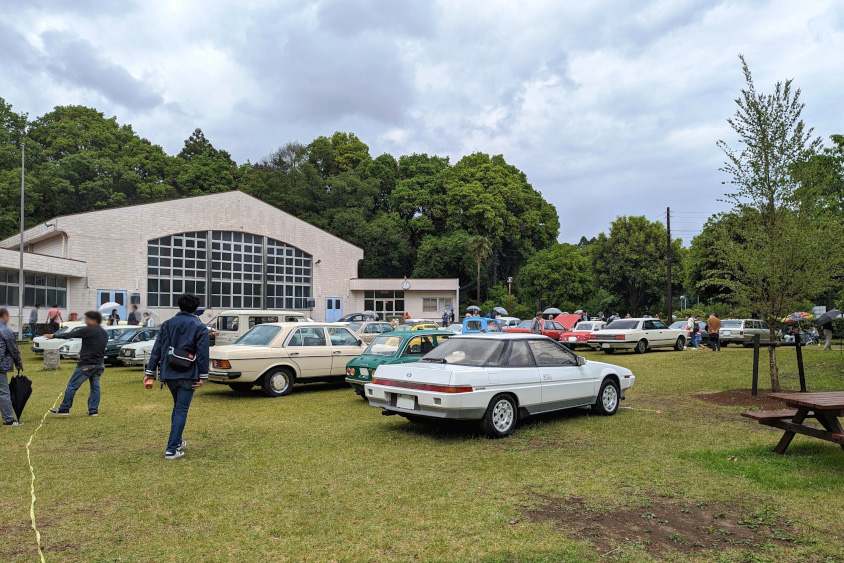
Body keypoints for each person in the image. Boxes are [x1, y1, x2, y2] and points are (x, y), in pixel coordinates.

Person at [145, 293, 210, 460]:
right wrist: (203, 375)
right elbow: (202, 353)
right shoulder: (199, 326)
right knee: (181, 410)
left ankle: (178, 441)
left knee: (177, 407)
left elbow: (157, 349)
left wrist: (150, 372)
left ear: (179, 306)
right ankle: (171, 449)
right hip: (189, 373)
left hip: (169, 372)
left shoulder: (167, 324)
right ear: (196, 308)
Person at [48, 311, 108, 417]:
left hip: (86, 364)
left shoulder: (88, 330)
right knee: (95, 387)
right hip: (99, 364)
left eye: (87, 319)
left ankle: (64, 409)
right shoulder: (104, 333)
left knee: (72, 386)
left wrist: (54, 335)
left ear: (94, 320)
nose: (86, 321)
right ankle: (93, 410)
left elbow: (71, 334)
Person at [0, 308, 24, 426]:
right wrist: (18, 363)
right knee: (3, 392)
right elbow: (13, 349)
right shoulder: (5, 330)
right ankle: (9, 420)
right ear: (5, 316)